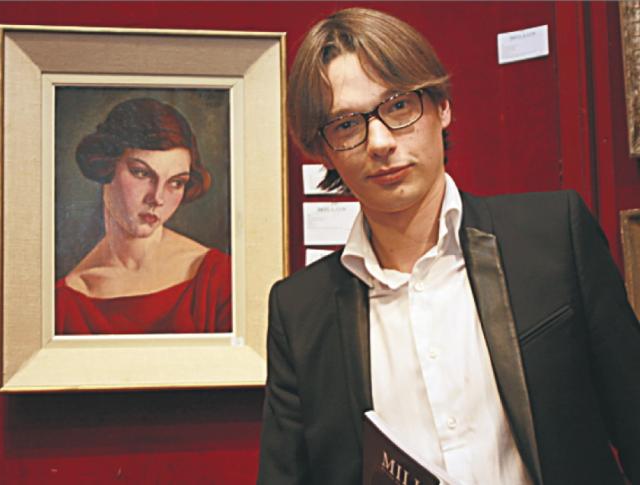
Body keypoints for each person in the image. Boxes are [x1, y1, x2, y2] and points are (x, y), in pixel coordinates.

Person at [258, 8, 640, 485]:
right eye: (347, 125)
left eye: (398, 106)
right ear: (325, 152)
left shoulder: (552, 237)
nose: (379, 142)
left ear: (441, 107)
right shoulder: (300, 311)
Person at [55, 98, 231, 335]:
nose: (157, 198)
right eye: (141, 173)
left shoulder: (219, 278)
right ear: (105, 165)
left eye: (176, 182)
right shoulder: (64, 303)